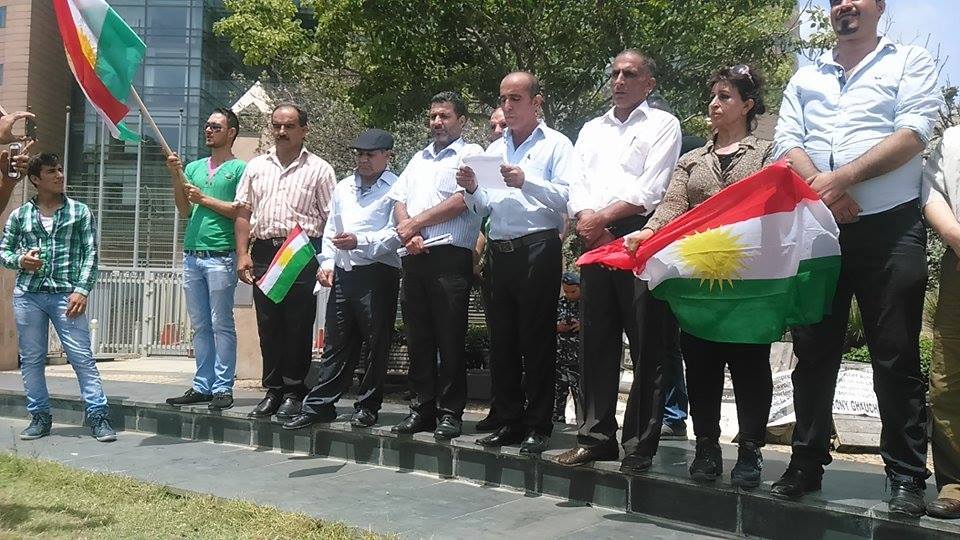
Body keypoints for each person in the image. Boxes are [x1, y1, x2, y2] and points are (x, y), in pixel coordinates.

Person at [770, 0, 942, 516]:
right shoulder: (807, 75)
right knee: (812, 350)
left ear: (879, 6)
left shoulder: (908, 61)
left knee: (895, 354)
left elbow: (913, 133)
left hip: (891, 227)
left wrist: (842, 178)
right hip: (818, 228)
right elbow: (786, 143)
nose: (844, 4)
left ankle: (906, 475)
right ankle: (805, 462)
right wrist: (827, 191)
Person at [625, 64, 773, 489]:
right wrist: (649, 232)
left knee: (750, 365)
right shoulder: (691, 160)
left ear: (747, 105)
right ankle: (707, 446)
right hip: (700, 280)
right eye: (713, 97)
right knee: (701, 362)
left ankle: (750, 449)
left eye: (725, 97)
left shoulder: (769, 155)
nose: (714, 104)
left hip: (748, 280)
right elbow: (672, 207)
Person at [556, 50, 681, 472]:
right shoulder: (592, 129)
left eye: (630, 74)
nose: (619, 81)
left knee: (647, 344)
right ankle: (596, 437)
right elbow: (577, 182)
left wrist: (604, 220)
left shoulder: (663, 124)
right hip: (594, 239)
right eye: (614, 73)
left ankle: (639, 445)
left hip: (639, 239)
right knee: (596, 341)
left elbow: (653, 188)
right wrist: (587, 220)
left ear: (649, 83)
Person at [457, 71, 574, 454]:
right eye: (503, 99)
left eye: (515, 99)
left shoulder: (556, 145)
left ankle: (538, 424)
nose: (507, 106)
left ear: (536, 102)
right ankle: (508, 419)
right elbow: (485, 208)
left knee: (536, 339)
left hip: (537, 246)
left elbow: (568, 199)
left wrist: (527, 181)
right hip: (500, 249)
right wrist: (472, 189)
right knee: (502, 339)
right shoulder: (494, 149)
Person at [283, 129, 402, 429]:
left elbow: (397, 232)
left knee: (376, 342)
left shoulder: (397, 188)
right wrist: (327, 262)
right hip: (344, 272)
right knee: (335, 343)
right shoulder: (344, 186)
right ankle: (321, 405)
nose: (363, 160)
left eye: (370, 155)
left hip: (377, 271)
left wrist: (360, 241)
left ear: (387, 155)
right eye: (359, 154)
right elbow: (331, 229)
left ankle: (368, 406)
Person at [0, 153, 115, 442]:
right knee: (32, 359)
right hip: (28, 295)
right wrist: (20, 260)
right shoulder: (20, 215)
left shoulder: (79, 212)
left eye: (61, 169)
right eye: (52, 171)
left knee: (81, 357)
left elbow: (91, 254)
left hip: (67, 295)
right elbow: (4, 251)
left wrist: (82, 290)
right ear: (35, 179)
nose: (60, 175)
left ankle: (98, 416)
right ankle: (39, 417)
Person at [389, 92, 483, 440]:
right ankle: (421, 408)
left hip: (449, 257)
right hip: (414, 257)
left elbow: (462, 201)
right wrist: (408, 232)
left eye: (444, 116)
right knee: (418, 338)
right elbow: (399, 199)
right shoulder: (419, 158)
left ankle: (450, 412)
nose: (437, 123)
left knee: (450, 337)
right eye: (432, 117)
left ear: (462, 121)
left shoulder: (471, 155)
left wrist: (415, 224)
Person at [234, 103, 336, 420]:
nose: (281, 132)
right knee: (268, 325)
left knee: (297, 325)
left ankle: (294, 391)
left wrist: (327, 260)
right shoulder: (256, 167)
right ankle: (273, 390)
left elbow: (332, 219)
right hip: (265, 252)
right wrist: (242, 254)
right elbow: (243, 212)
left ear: (303, 130)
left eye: (289, 126)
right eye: (277, 125)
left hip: (302, 252)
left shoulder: (320, 169)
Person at [164, 108, 244, 411]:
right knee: (200, 325)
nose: (208, 130)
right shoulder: (194, 167)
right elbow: (185, 209)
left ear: (231, 132)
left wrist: (205, 199)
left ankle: (223, 386)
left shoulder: (240, 169)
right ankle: (202, 384)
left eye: (216, 126)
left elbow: (241, 211)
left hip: (221, 255)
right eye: (207, 126)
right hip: (192, 255)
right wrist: (176, 177)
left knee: (221, 322)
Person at [921, 125, 960, 519]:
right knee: (948, 377)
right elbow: (933, 195)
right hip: (959, 259)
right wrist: (954, 235)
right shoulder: (953, 140)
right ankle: (954, 484)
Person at [473, 106, 508, 433]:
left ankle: (538, 415)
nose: (497, 131)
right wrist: (476, 259)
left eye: (503, 125)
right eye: (493, 125)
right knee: (500, 340)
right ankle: (500, 409)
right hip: (495, 260)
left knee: (530, 340)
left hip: (533, 258)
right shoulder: (488, 161)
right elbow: (485, 218)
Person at [554, 272, 581, 423]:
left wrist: (583, 325)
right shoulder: (559, 304)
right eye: (566, 291)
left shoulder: (588, 304)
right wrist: (558, 327)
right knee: (557, 395)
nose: (569, 295)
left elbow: (600, 325)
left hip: (579, 360)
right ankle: (557, 423)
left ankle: (582, 425)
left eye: (573, 291)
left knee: (580, 398)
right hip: (559, 359)